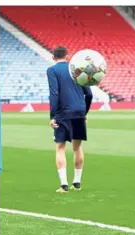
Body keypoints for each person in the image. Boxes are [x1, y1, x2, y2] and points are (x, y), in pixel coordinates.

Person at [47, 46, 93, 193]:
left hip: (63, 113)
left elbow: (54, 94)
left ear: (53, 57)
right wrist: (84, 112)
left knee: (60, 147)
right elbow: (89, 94)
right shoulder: (76, 69)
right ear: (68, 56)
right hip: (79, 111)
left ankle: (64, 185)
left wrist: (52, 116)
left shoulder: (52, 70)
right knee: (77, 147)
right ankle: (77, 183)